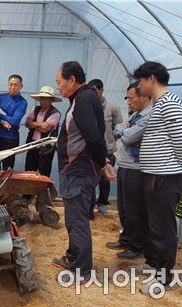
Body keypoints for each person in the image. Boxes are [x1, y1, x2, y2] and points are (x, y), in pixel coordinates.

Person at [132, 61, 182, 295]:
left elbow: (181, 141)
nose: (139, 86)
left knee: (162, 228)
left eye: (141, 80)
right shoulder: (160, 104)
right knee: (152, 224)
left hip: (164, 176)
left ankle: (163, 278)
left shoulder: (170, 104)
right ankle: (154, 264)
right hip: (154, 174)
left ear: (152, 78)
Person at [52, 61, 115, 282]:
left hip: (78, 171)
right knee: (73, 219)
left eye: (59, 82)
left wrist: (103, 162)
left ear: (72, 80)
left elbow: (94, 138)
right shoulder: (84, 99)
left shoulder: (83, 101)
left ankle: (82, 270)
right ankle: (74, 257)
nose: (58, 87)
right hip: (78, 170)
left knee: (77, 221)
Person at [105, 82, 152, 260]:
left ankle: (135, 246)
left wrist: (126, 131)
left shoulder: (149, 116)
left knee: (134, 210)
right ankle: (125, 239)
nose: (128, 102)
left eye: (131, 98)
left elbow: (129, 136)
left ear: (144, 96)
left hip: (136, 168)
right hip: (125, 165)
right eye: (127, 98)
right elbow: (118, 131)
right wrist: (125, 130)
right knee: (123, 207)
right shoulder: (136, 115)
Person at [88, 79, 123, 216]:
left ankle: (102, 203)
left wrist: (109, 141)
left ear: (101, 90)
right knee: (91, 180)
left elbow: (118, 128)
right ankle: (90, 207)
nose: (92, 94)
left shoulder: (112, 108)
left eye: (95, 91)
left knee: (105, 180)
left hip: (107, 150)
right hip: (92, 151)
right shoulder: (88, 106)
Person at [0, 75, 28, 170]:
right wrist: (2, 121)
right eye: (10, 85)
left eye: (16, 85)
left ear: (21, 86)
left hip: (10, 139)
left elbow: (15, 121)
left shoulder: (22, 102)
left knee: (8, 169)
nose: (13, 87)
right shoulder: (1, 97)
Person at [24, 85, 62, 177]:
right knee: (29, 172)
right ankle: (28, 191)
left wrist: (33, 124)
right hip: (32, 145)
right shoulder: (35, 109)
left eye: (47, 99)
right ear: (39, 99)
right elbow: (27, 123)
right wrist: (41, 124)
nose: (44, 101)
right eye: (42, 98)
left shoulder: (56, 113)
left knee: (43, 174)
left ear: (51, 100)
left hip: (46, 148)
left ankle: (41, 191)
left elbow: (46, 129)